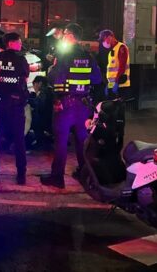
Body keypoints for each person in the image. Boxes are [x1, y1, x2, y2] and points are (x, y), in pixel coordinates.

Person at [41, 23, 102, 189]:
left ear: (70, 36)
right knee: (82, 141)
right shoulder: (88, 56)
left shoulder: (63, 55)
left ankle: (57, 177)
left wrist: (52, 66)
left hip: (65, 105)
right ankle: (84, 174)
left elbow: (53, 79)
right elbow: (97, 79)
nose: (63, 37)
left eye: (65, 34)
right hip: (83, 105)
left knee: (61, 141)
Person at [0, 32, 30, 185]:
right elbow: (24, 78)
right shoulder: (21, 59)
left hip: (1, 104)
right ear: (11, 43)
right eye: (18, 42)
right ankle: (21, 174)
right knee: (19, 140)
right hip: (16, 105)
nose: (20, 44)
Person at [98, 29, 131, 101]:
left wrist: (116, 82)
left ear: (110, 37)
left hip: (121, 84)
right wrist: (109, 85)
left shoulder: (121, 47)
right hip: (114, 84)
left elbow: (122, 66)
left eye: (104, 40)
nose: (104, 42)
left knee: (119, 105)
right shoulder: (112, 50)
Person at [29, 75, 54, 148]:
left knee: (33, 119)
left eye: (34, 85)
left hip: (45, 120)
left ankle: (40, 142)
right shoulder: (51, 90)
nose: (34, 87)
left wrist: (28, 101)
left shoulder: (44, 92)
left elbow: (40, 105)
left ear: (39, 83)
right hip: (52, 118)